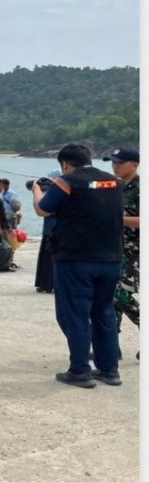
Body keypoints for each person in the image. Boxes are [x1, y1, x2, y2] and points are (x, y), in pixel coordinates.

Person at [33, 143, 125, 388]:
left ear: (65, 164)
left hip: (75, 259)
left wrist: (36, 191)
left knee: (75, 314)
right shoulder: (114, 182)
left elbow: (42, 209)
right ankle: (109, 369)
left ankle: (80, 370)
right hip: (111, 257)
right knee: (104, 312)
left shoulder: (66, 182)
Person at [103, 148, 139, 345]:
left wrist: (117, 219)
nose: (115, 166)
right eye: (113, 162)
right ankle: (111, 346)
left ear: (134, 165)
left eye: (120, 163)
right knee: (110, 296)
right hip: (114, 248)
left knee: (121, 296)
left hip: (135, 251)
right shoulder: (115, 186)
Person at [31, 171, 62, 293]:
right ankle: (44, 284)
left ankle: (48, 284)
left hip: (52, 230)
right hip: (50, 229)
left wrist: (36, 191)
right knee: (46, 259)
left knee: (49, 260)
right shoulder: (55, 194)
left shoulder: (57, 195)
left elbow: (42, 209)